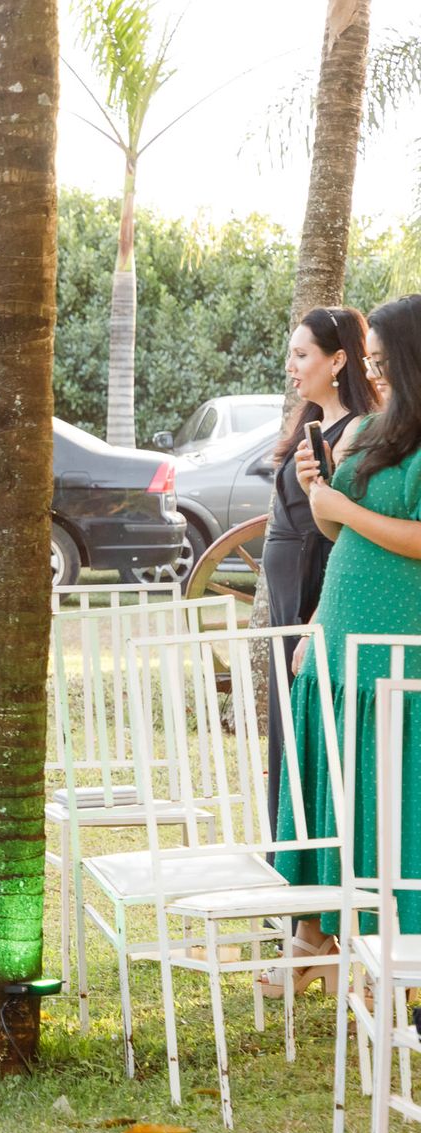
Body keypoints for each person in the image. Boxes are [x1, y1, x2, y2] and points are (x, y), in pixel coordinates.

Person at [269, 294, 421, 994]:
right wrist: (320, 496)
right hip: (339, 642)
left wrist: (340, 507)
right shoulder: (378, 429)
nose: (377, 375)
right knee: (332, 790)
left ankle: (383, 954)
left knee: (387, 800)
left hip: (395, 656)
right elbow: (339, 537)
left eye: (386, 362)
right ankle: (316, 942)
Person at [259, 306, 379, 835]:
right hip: (287, 589)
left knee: (305, 722)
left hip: (314, 585)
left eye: (301, 354)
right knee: (283, 724)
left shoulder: (354, 430)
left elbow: (337, 525)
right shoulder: (312, 423)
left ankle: (303, 863)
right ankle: (284, 865)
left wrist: (317, 613)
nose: (291, 365)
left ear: (338, 360)